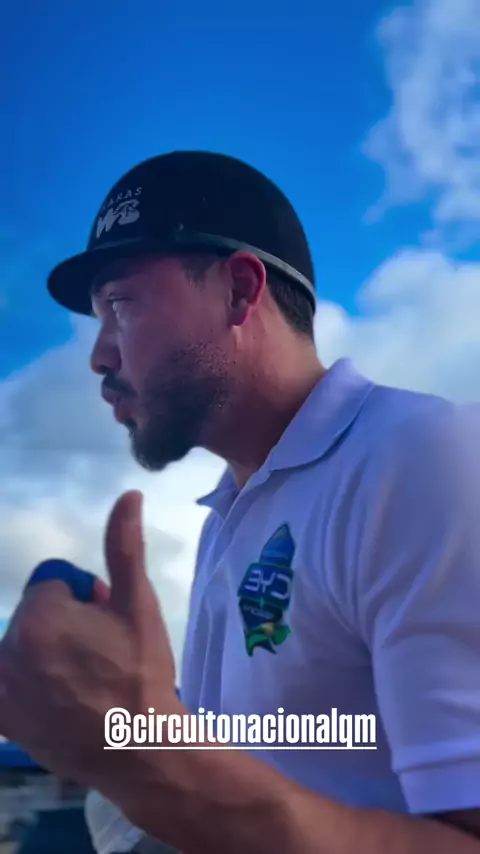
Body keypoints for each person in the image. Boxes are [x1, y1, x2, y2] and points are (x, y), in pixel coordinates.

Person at [0, 150, 479, 854]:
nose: (99, 356)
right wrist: (117, 722)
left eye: (121, 306)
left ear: (239, 291)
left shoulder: (422, 457)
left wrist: (143, 758)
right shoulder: (230, 516)